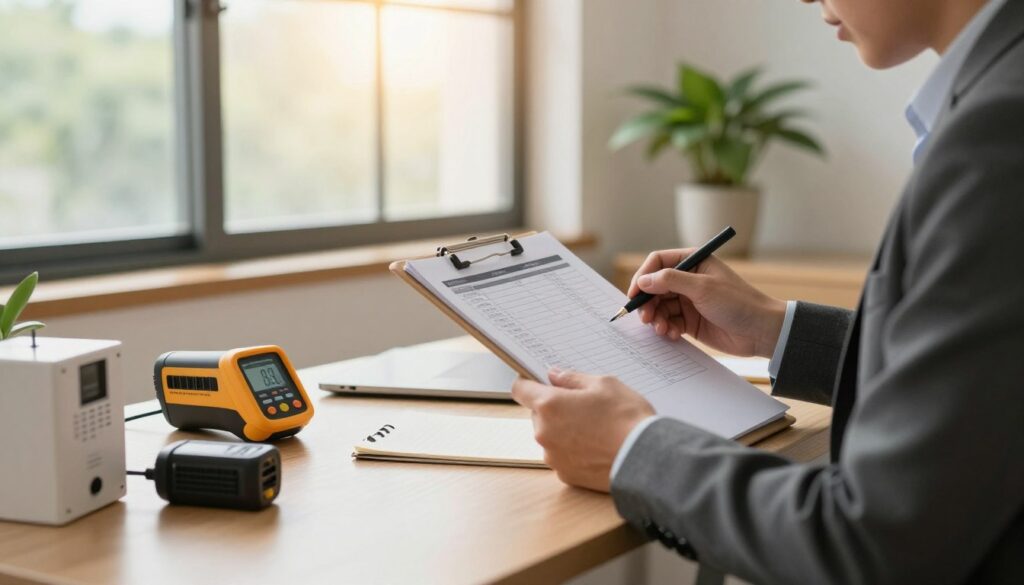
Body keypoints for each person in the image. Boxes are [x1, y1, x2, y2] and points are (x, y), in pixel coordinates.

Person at [510, 0, 1024, 582]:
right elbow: (986, 384)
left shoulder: (1001, 131)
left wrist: (632, 448)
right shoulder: (994, 97)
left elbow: (874, 544)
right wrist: (779, 327)